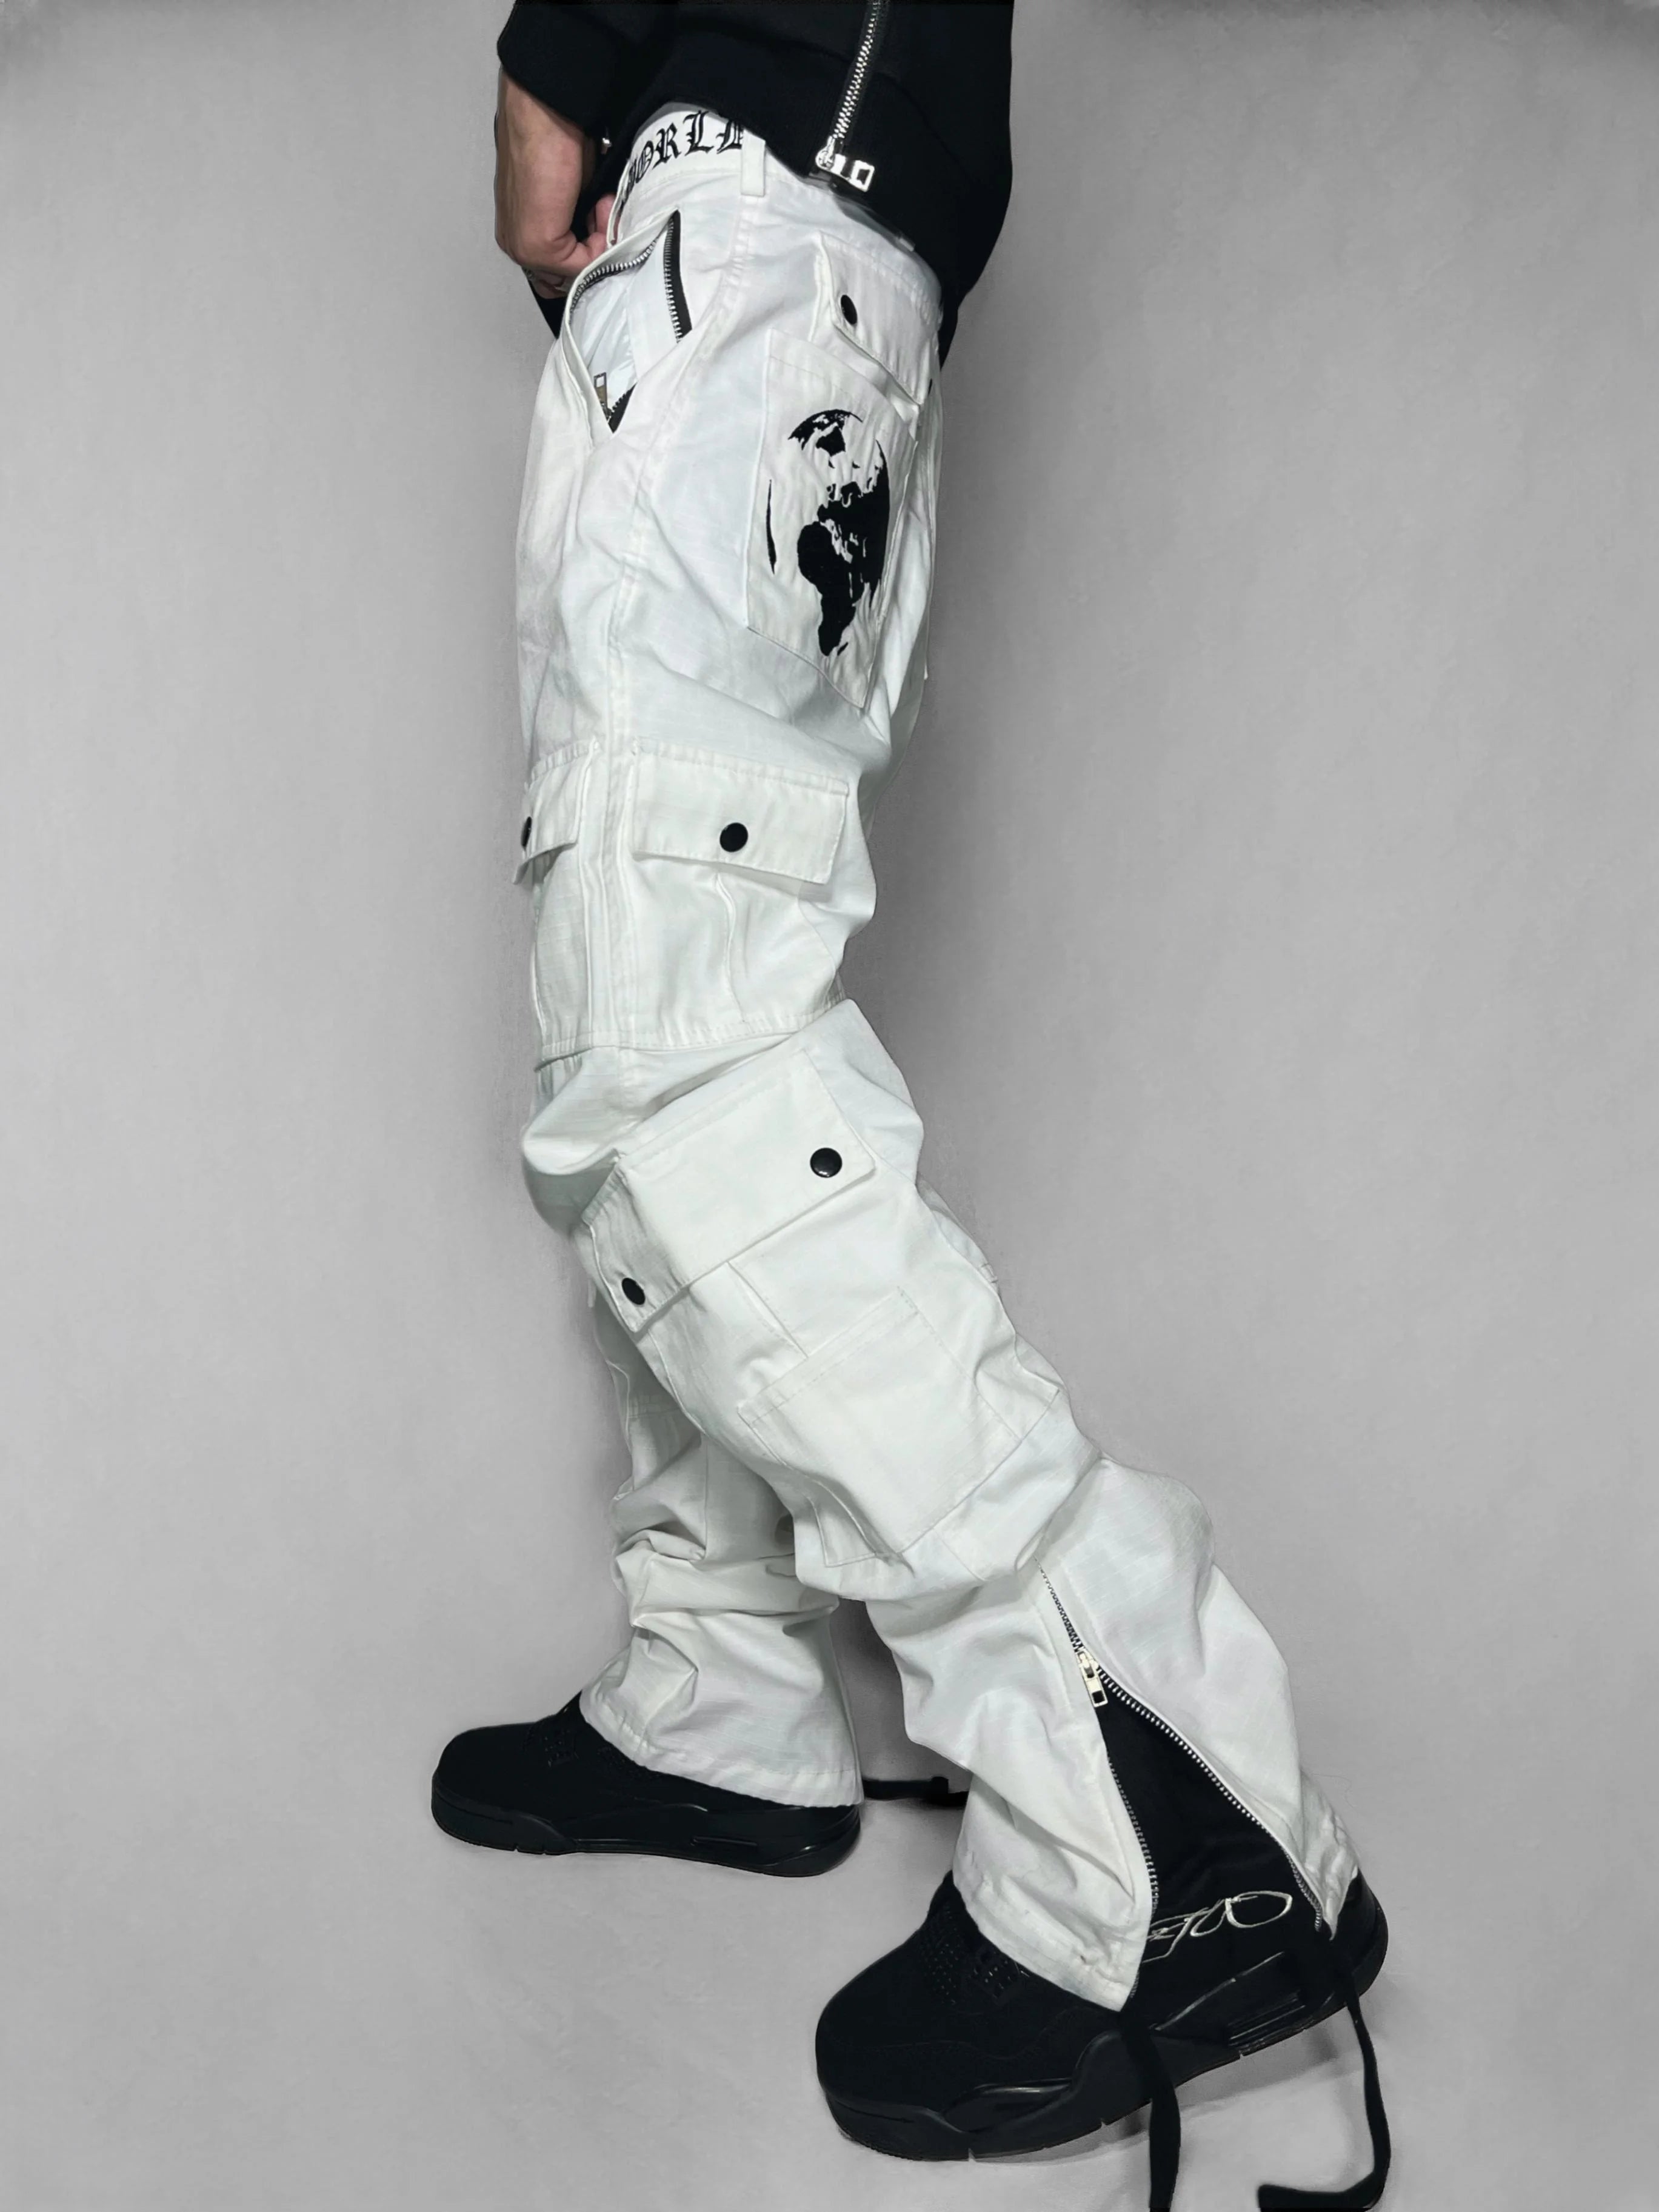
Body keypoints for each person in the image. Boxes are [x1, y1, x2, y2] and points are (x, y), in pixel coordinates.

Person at [434, 8, 1392, 2206]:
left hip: (749, 224)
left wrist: (555, 60)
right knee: (647, 1003)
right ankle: (723, 1682)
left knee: (677, 1042)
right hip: (796, 256)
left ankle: (1159, 1816)